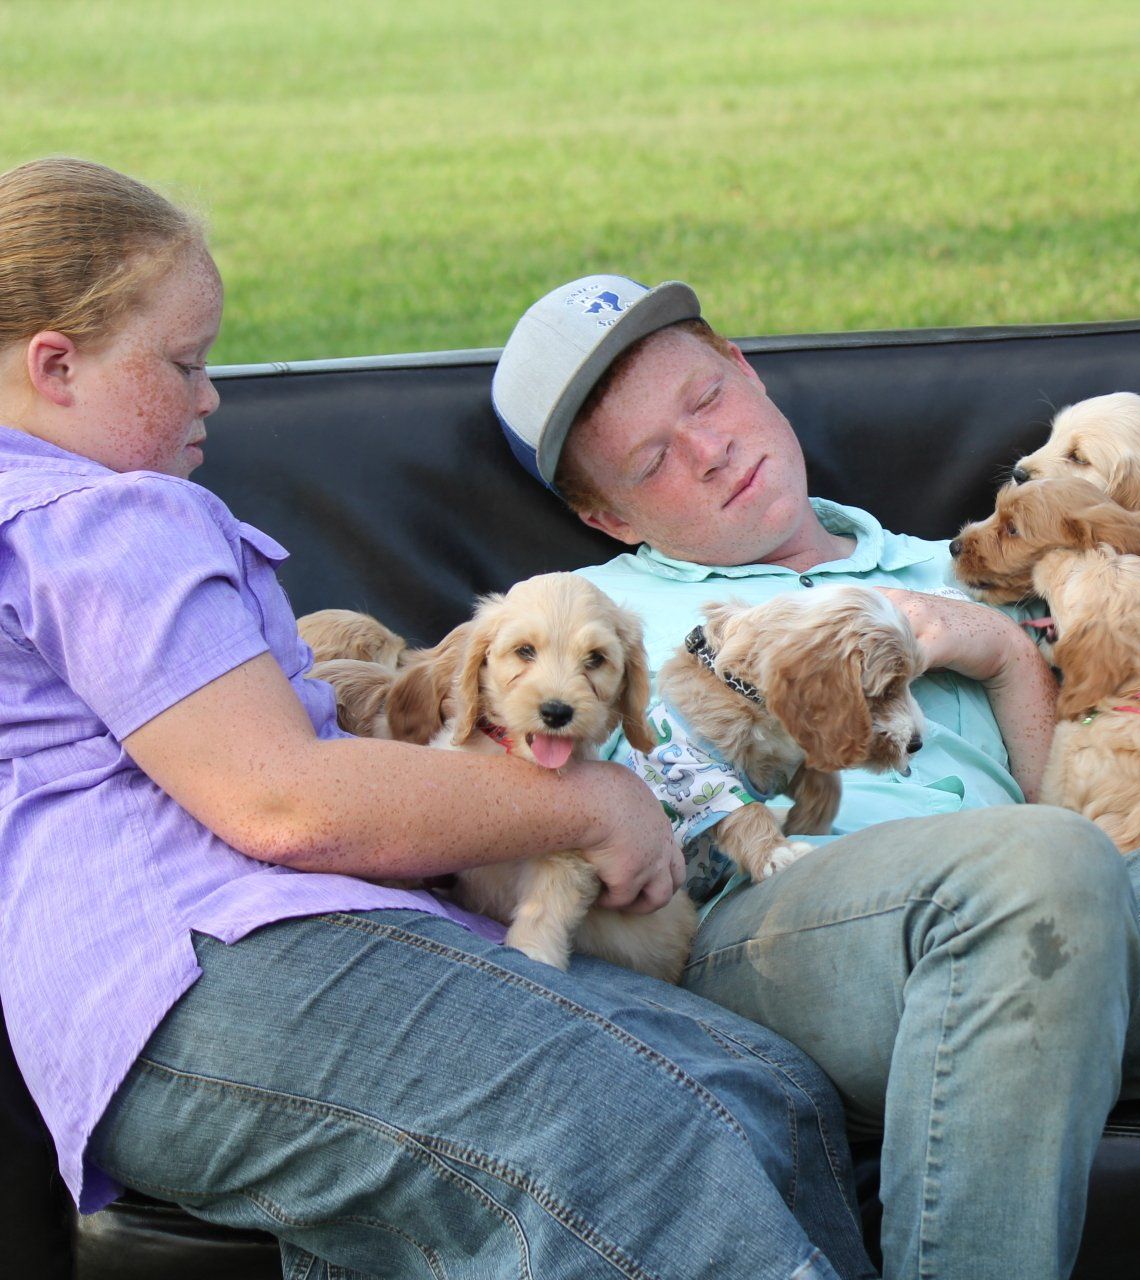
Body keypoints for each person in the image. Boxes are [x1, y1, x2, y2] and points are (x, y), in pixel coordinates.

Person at [494, 274, 1140, 1280]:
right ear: (611, 518)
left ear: (745, 367)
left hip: (1081, 904)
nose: (712, 449)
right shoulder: (581, 620)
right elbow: (517, 793)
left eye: (708, 396)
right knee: (1038, 860)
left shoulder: (1013, 556)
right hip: (785, 933)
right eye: (654, 459)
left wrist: (997, 652)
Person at [0, 159, 874, 1280]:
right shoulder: (97, 516)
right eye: (185, 362)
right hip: (225, 971)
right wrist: (588, 797)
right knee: (633, 1143)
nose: (212, 394)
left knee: (768, 1091)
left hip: (218, 998)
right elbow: (283, 799)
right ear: (56, 365)